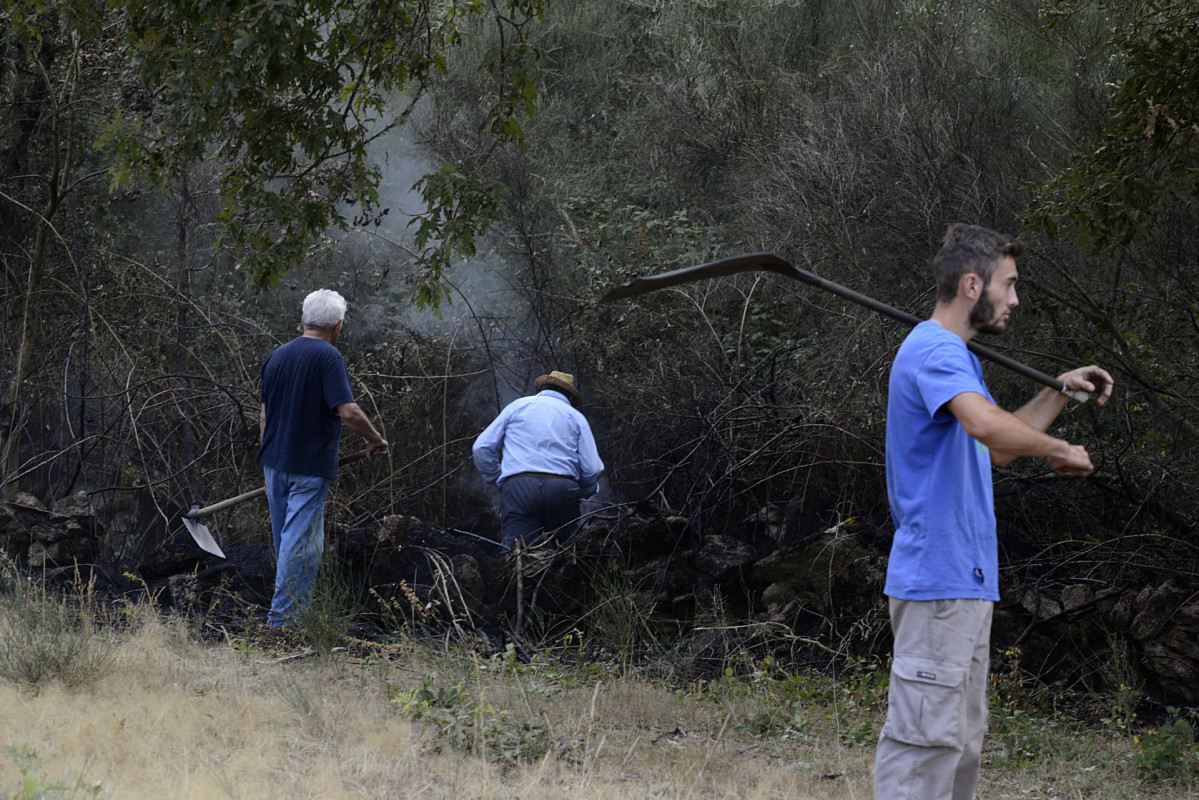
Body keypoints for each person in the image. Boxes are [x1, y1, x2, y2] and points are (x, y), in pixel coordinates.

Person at [874, 224, 1113, 799]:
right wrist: (1061, 449)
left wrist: (1059, 391)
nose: (1014, 299)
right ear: (971, 284)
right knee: (923, 748)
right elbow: (986, 424)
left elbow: (999, 444)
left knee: (957, 744)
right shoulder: (934, 349)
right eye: (1008, 285)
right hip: (937, 583)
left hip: (963, 584)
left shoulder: (954, 359)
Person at [256, 289, 389, 627]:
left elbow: (264, 416)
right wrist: (374, 438)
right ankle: (283, 622)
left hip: (274, 463)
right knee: (300, 545)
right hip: (308, 466)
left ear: (303, 320)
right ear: (338, 327)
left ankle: (289, 616)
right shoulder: (329, 357)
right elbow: (349, 412)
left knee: (288, 542)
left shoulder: (277, 355)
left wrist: (270, 457)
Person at [472, 371, 604, 551]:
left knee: (517, 553)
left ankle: (517, 576)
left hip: (519, 487)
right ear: (571, 396)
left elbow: (481, 448)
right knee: (569, 553)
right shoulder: (575, 417)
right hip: (561, 488)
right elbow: (593, 468)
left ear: (542, 388)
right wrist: (584, 490)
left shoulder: (517, 406)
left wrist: (498, 479)